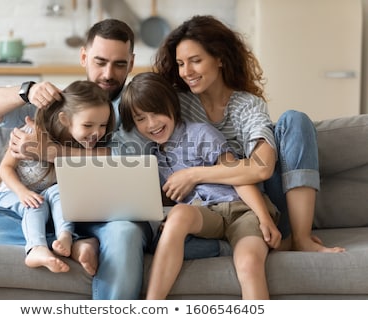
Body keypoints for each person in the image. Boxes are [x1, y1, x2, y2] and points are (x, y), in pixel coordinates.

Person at [0, 19, 154, 300]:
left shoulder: (135, 107)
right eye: (100, 61)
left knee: (125, 233)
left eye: (120, 64)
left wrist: (51, 152)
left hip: (104, 218)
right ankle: (71, 244)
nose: (108, 73)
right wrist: (26, 90)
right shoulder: (59, 104)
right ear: (84, 56)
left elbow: (125, 157)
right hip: (48, 215)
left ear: (131, 63)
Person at [152, 15, 344, 253]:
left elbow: (262, 168)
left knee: (295, 119)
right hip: (204, 212)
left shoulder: (247, 105)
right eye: (180, 63)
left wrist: (192, 174)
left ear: (219, 59)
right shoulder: (177, 105)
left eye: (195, 60)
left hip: (260, 206)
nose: (186, 71)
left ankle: (300, 238)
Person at [119, 72, 281, 299]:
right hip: (206, 216)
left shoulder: (200, 133)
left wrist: (264, 218)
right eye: (141, 118)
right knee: (178, 214)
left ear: (172, 106)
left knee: (248, 263)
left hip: (241, 211)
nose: (152, 123)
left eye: (157, 113)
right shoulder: (153, 158)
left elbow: (238, 176)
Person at [0, 80, 114, 274]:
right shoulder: (32, 132)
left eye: (103, 125)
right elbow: (5, 168)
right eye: (88, 125)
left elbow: (110, 157)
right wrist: (22, 193)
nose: (96, 132)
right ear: (64, 119)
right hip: (14, 195)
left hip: (49, 207)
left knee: (59, 191)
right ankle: (39, 248)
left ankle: (64, 236)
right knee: (31, 205)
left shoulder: (85, 146)